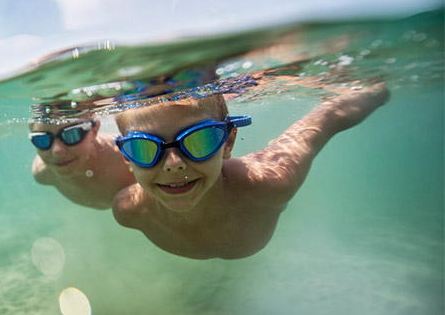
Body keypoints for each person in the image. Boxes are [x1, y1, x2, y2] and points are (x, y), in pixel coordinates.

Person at [112, 84, 390, 259]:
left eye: (200, 140)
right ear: (127, 157)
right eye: (143, 149)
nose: (173, 162)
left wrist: (376, 89)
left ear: (228, 142)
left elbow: (330, 116)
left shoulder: (272, 181)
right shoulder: (128, 210)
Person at [30, 114, 136, 210]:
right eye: (42, 140)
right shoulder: (42, 173)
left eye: (72, 135)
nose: (57, 151)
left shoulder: (128, 157)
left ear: (94, 131)